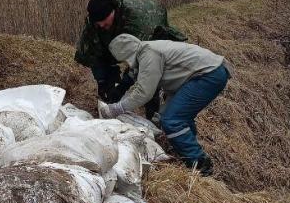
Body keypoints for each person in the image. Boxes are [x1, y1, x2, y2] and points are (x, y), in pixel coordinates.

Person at [98, 34, 230, 176]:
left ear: (126, 54)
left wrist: (116, 109)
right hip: (204, 73)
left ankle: (200, 164)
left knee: (172, 120)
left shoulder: (149, 54)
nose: (126, 64)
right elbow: (137, 76)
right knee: (171, 116)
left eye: (124, 60)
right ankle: (187, 152)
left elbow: (144, 92)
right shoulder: (146, 49)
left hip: (207, 75)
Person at [74, 0, 186, 120]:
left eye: (104, 21)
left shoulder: (139, 20)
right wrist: (102, 81)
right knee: (107, 79)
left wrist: (123, 86)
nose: (102, 25)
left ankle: (153, 116)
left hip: (153, 33)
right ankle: (110, 105)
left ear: (113, 11)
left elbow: (142, 61)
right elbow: (93, 53)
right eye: (99, 24)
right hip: (121, 32)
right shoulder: (94, 23)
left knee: (150, 79)